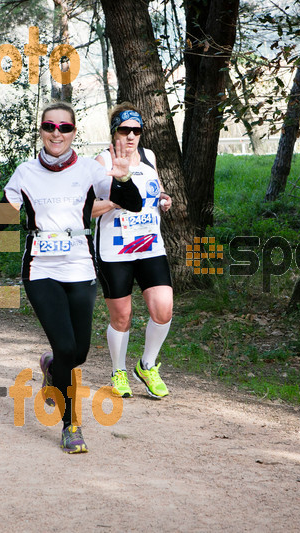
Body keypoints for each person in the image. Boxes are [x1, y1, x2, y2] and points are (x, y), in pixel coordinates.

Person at [0, 101, 141, 453]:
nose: (57, 133)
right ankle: (71, 424)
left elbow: (134, 204)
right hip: (41, 269)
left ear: (74, 132)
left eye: (64, 127)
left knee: (76, 354)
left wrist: (123, 177)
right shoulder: (26, 173)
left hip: (79, 267)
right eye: (50, 126)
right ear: (42, 131)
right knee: (65, 347)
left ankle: (51, 369)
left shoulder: (90, 171)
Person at [92, 102, 174, 399]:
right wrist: (118, 200)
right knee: (122, 317)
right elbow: (86, 209)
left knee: (163, 310)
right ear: (114, 131)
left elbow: (156, 190)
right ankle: (118, 370)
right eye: (124, 130)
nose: (130, 136)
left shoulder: (148, 157)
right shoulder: (101, 162)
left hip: (150, 246)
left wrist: (163, 198)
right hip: (115, 251)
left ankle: (147, 365)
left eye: (136, 131)